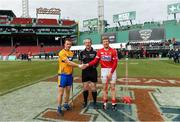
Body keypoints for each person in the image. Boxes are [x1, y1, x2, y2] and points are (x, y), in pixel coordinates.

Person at [83, 37, 118, 111]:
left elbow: (115, 63)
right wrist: (87, 64)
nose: (106, 43)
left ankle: (113, 103)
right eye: (104, 42)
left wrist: (111, 73)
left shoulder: (113, 51)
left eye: (107, 41)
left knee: (112, 88)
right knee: (105, 88)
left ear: (109, 42)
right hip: (104, 70)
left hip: (112, 70)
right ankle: (105, 103)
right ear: (102, 43)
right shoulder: (99, 51)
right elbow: (95, 61)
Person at [57, 38, 83, 115]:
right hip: (62, 75)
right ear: (64, 44)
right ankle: (59, 108)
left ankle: (65, 104)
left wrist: (72, 73)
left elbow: (71, 64)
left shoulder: (71, 53)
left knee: (68, 91)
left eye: (70, 44)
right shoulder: (62, 52)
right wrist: (79, 65)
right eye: (67, 44)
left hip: (69, 75)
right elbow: (68, 62)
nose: (69, 45)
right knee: (61, 93)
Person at [79, 38, 98, 109]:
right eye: (86, 42)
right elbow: (80, 62)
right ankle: (85, 101)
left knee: (93, 88)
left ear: (91, 43)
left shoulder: (95, 52)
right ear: (84, 44)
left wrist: (93, 67)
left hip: (93, 71)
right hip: (85, 72)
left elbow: (97, 62)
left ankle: (95, 102)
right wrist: (81, 66)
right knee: (85, 87)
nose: (87, 44)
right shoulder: (81, 52)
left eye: (89, 42)